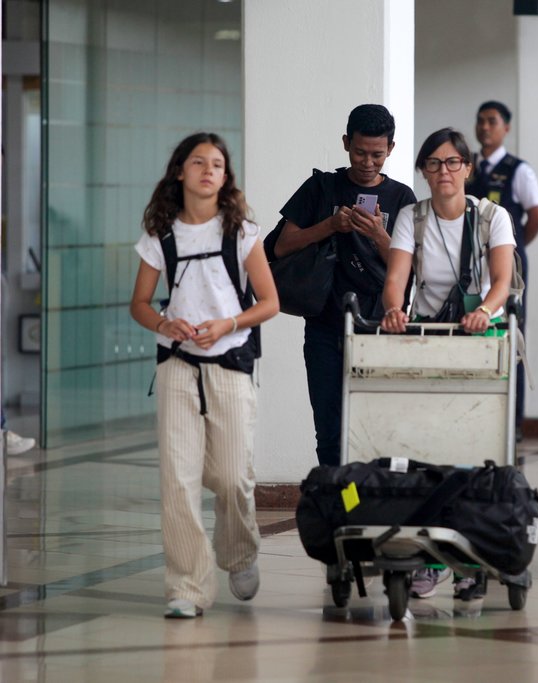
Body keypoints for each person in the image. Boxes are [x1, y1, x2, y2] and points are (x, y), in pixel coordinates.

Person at [130, 132, 280, 618]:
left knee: (231, 475)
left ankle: (238, 553)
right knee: (179, 479)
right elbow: (139, 304)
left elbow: (269, 303)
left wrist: (228, 323)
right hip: (176, 363)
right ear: (180, 171)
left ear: (224, 176)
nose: (208, 170)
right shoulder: (160, 234)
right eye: (198, 162)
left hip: (232, 361)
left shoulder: (241, 231)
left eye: (217, 164)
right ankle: (187, 588)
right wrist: (163, 322)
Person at [381, 127, 515, 600]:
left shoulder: (492, 217)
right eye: (434, 163)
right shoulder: (411, 218)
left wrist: (485, 312)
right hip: (429, 341)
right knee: (427, 451)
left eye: (453, 162)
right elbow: (397, 276)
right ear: (422, 171)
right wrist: (394, 310)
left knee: (472, 452)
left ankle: (468, 563)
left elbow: (502, 279)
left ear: (468, 168)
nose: (444, 171)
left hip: (481, 343)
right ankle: (432, 560)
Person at [272, 105, 416, 467]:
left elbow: (413, 267)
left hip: (380, 327)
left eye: (377, 155)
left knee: (378, 428)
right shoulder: (321, 187)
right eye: (359, 152)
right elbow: (280, 246)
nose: (368, 162)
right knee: (331, 432)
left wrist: (380, 235)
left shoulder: (402, 199)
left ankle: (372, 506)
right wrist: (331, 225)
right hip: (325, 326)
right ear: (345, 143)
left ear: (391, 149)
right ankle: (341, 507)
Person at [465, 101, 538, 438]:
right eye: (480, 121)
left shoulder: (518, 170)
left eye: (492, 121)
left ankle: (511, 424)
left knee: (509, 336)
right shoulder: (466, 166)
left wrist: (512, 247)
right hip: (468, 265)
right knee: (470, 332)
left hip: (505, 266)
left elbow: (537, 215)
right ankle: (474, 415)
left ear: (506, 128)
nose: (485, 127)